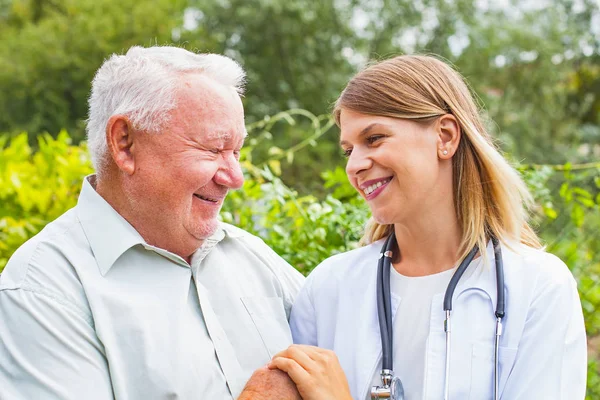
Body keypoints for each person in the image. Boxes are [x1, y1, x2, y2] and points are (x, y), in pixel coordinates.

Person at [269, 55, 587, 399]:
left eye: (374, 138)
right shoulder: (328, 289)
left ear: (445, 136)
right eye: (348, 150)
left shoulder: (540, 287)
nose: (355, 165)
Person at [0, 45, 304, 400]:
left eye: (235, 152)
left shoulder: (251, 256)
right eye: (212, 149)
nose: (235, 177)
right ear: (124, 144)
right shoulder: (45, 289)